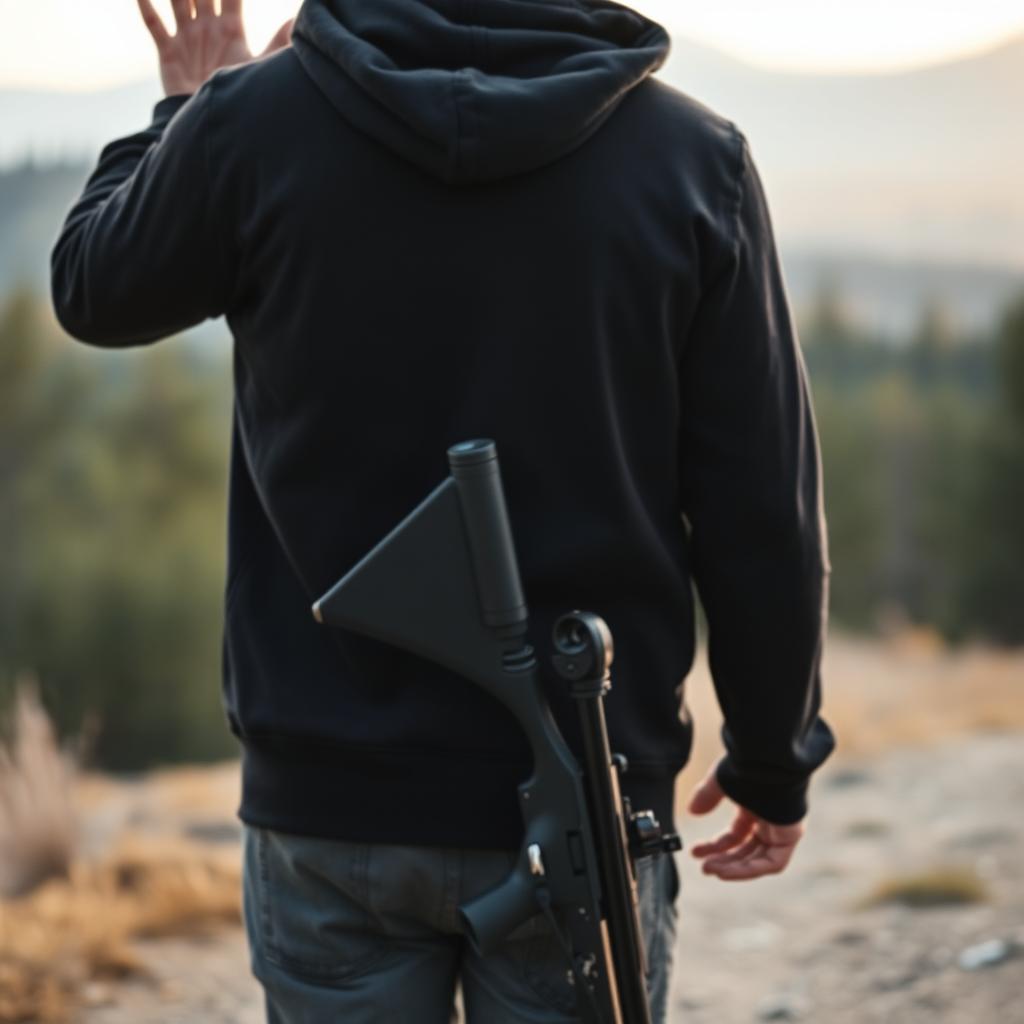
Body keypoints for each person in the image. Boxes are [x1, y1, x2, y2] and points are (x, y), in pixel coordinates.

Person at [50, 0, 835, 1021]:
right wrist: (772, 759)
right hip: (582, 785)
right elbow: (759, 509)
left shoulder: (252, 124)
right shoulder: (691, 160)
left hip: (331, 796)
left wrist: (187, 114)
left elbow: (94, 287)